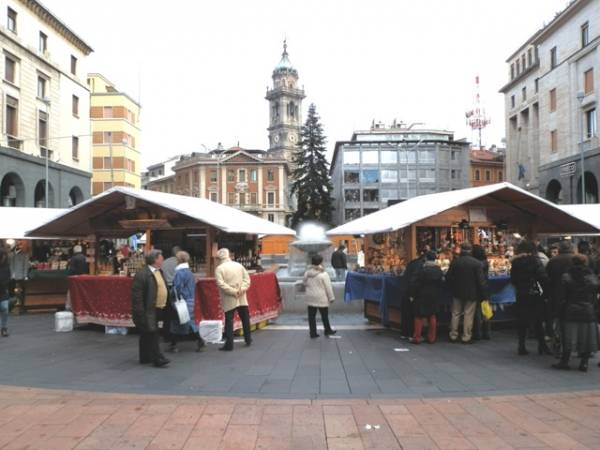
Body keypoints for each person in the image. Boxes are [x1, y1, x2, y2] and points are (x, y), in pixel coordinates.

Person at [553, 255, 600, 371]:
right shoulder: (592, 278)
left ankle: (565, 361)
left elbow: (561, 296)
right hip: (588, 310)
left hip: (570, 310)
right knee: (587, 338)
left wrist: (558, 310)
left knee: (568, 337)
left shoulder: (566, 276)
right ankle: (584, 363)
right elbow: (595, 295)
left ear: (572, 263)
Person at [510, 241, 551, 356]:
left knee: (522, 320)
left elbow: (513, 280)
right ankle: (542, 345)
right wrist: (546, 293)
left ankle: (521, 346)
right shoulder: (535, 261)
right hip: (534, 294)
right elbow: (543, 278)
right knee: (538, 320)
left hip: (521, 294)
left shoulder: (516, 262)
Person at [131, 249, 170, 368]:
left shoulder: (159, 271)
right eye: (160, 257)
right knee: (153, 332)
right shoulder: (142, 274)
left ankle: (145, 357)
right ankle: (158, 358)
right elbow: (137, 297)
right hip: (149, 309)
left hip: (159, 307)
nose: (162, 259)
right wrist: (140, 312)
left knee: (146, 333)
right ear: (155, 260)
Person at [446, 242, 486, 344]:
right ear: (470, 250)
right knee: (468, 314)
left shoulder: (455, 262)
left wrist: (453, 286)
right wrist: (483, 294)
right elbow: (481, 281)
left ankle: (453, 335)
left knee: (455, 313)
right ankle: (466, 336)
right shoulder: (477, 263)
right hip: (472, 292)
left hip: (457, 291)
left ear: (461, 249)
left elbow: (448, 277)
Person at [168, 251, 205, 353]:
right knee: (188, 321)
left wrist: (171, 293)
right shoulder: (189, 271)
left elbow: (177, 288)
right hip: (190, 299)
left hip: (182, 300)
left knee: (178, 322)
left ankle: (174, 344)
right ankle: (199, 341)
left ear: (178, 260)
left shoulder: (179, 273)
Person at [215, 248, 251, 351]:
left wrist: (232, 291)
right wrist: (241, 289)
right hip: (241, 295)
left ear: (219, 258)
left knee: (229, 320)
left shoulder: (219, 268)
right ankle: (248, 339)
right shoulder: (239, 265)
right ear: (229, 255)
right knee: (245, 318)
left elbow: (221, 284)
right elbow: (247, 280)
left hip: (229, 297)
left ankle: (229, 344)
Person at [409, 251, 443, 344]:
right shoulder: (439, 271)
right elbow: (441, 284)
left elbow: (414, 283)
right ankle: (432, 338)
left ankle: (417, 337)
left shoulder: (422, 270)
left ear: (426, 258)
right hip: (434, 295)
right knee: (432, 315)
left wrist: (412, 294)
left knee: (418, 316)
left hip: (421, 295)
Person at [546, 240, 575, 344]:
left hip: (556, 292)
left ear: (560, 249)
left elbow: (547, 277)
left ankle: (557, 339)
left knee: (558, 317)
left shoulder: (553, 260)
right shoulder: (576, 259)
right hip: (574, 294)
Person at [303, 254, 336, 338]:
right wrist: (331, 297)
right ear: (321, 262)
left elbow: (304, 283)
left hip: (310, 297)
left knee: (311, 316)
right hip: (321, 297)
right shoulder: (323, 274)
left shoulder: (307, 273)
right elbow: (328, 287)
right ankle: (327, 330)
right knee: (324, 315)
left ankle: (313, 333)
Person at [401, 248, 429, 339]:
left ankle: (404, 333)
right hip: (411, 292)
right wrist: (412, 294)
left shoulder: (413, 263)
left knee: (406, 313)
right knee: (412, 313)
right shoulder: (420, 265)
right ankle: (411, 334)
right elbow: (414, 280)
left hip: (405, 290)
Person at [161, 246, 181, 343]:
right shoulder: (179, 263)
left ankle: (166, 334)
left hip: (165, 288)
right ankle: (176, 335)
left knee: (167, 313)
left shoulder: (164, 262)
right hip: (175, 289)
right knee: (177, 313)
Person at [472, 244, 491, 340]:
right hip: (485, 288)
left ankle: (478, 332)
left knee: (477, 311)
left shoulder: (475, 264)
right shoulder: (485, 262)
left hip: (476, 288)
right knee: (486, 310)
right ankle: (487, 332)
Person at [0, 248, 11, 337]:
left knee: (5, 309)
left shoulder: (6, 267)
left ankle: (4, 328)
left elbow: (8, 278)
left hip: (3, 291)